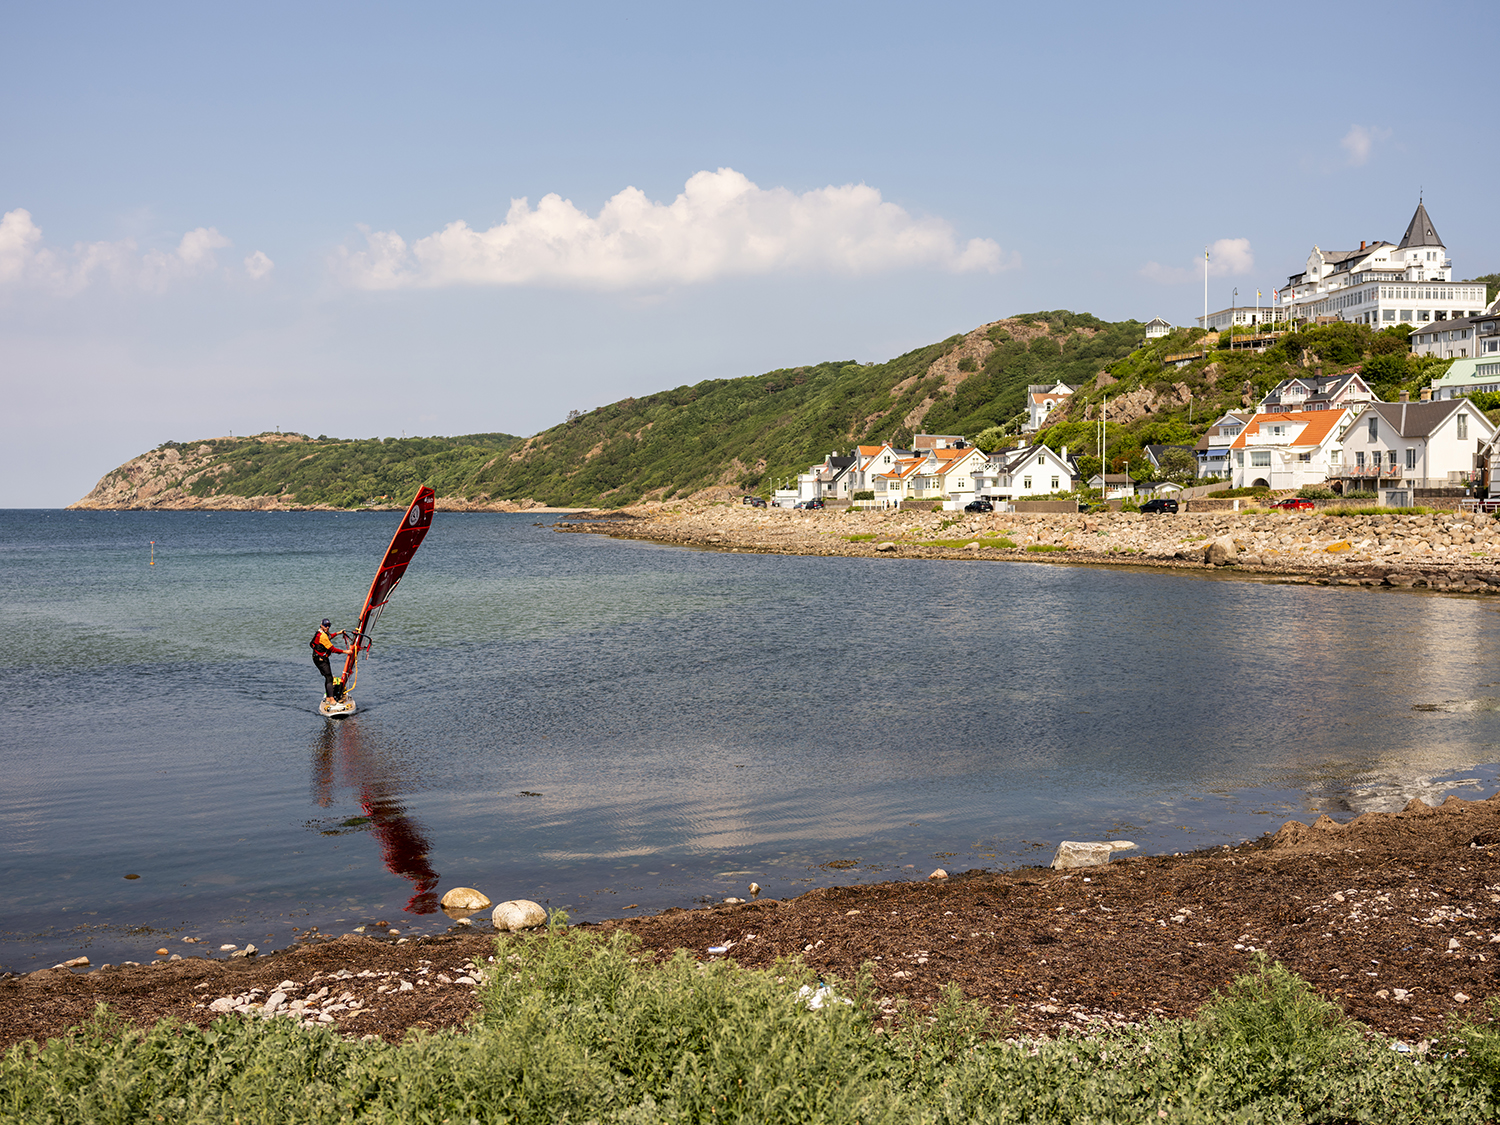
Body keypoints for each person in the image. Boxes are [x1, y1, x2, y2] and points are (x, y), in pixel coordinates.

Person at [310, 619, 348, 704]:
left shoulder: (322, 633)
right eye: (325, 626)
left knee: (328, 677)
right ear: (321, 625)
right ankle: (331, 699)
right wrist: (346, 652)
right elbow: (333, 649)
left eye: (329, 625)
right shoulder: (322, 636)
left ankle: (328, 697)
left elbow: (329, 637)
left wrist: (338, 633)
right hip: (320, 659)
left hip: (318, 658)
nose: (327, 627)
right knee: (329, 677)